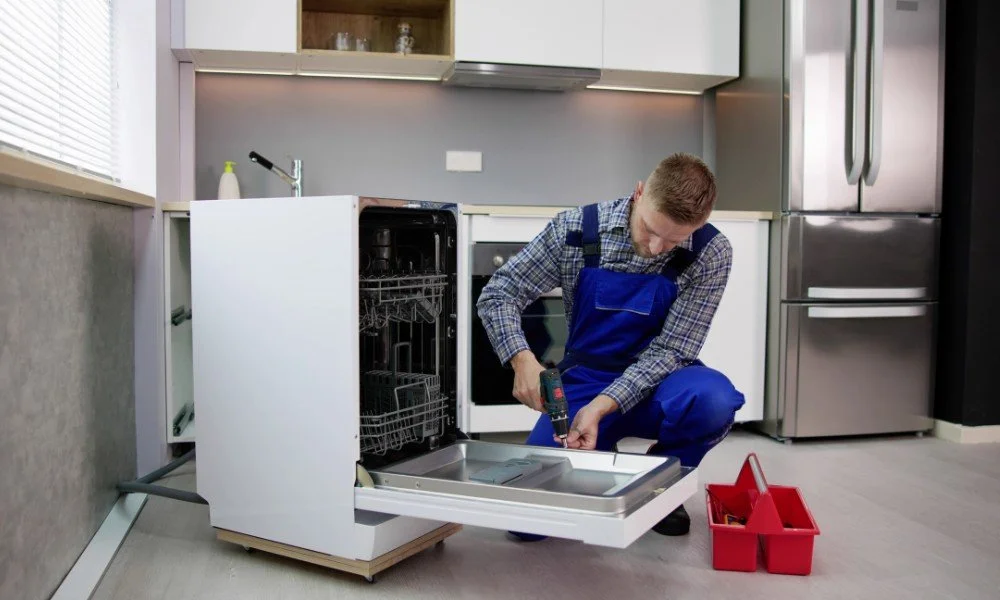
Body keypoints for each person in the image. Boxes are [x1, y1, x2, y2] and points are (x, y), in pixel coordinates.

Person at [476, 153, 745, 539]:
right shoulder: (574, 229)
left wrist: (603, 407)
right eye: (651, 229)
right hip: (585, 379)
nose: (656, 247)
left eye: (673, 240)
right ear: (639, 193)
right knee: (525, 527)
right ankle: (598, 461)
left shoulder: (711, 252)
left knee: (713, 401)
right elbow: (498, 294)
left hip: (660, 382)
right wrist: (522, 360)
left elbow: (672, 351)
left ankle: (661, 478)